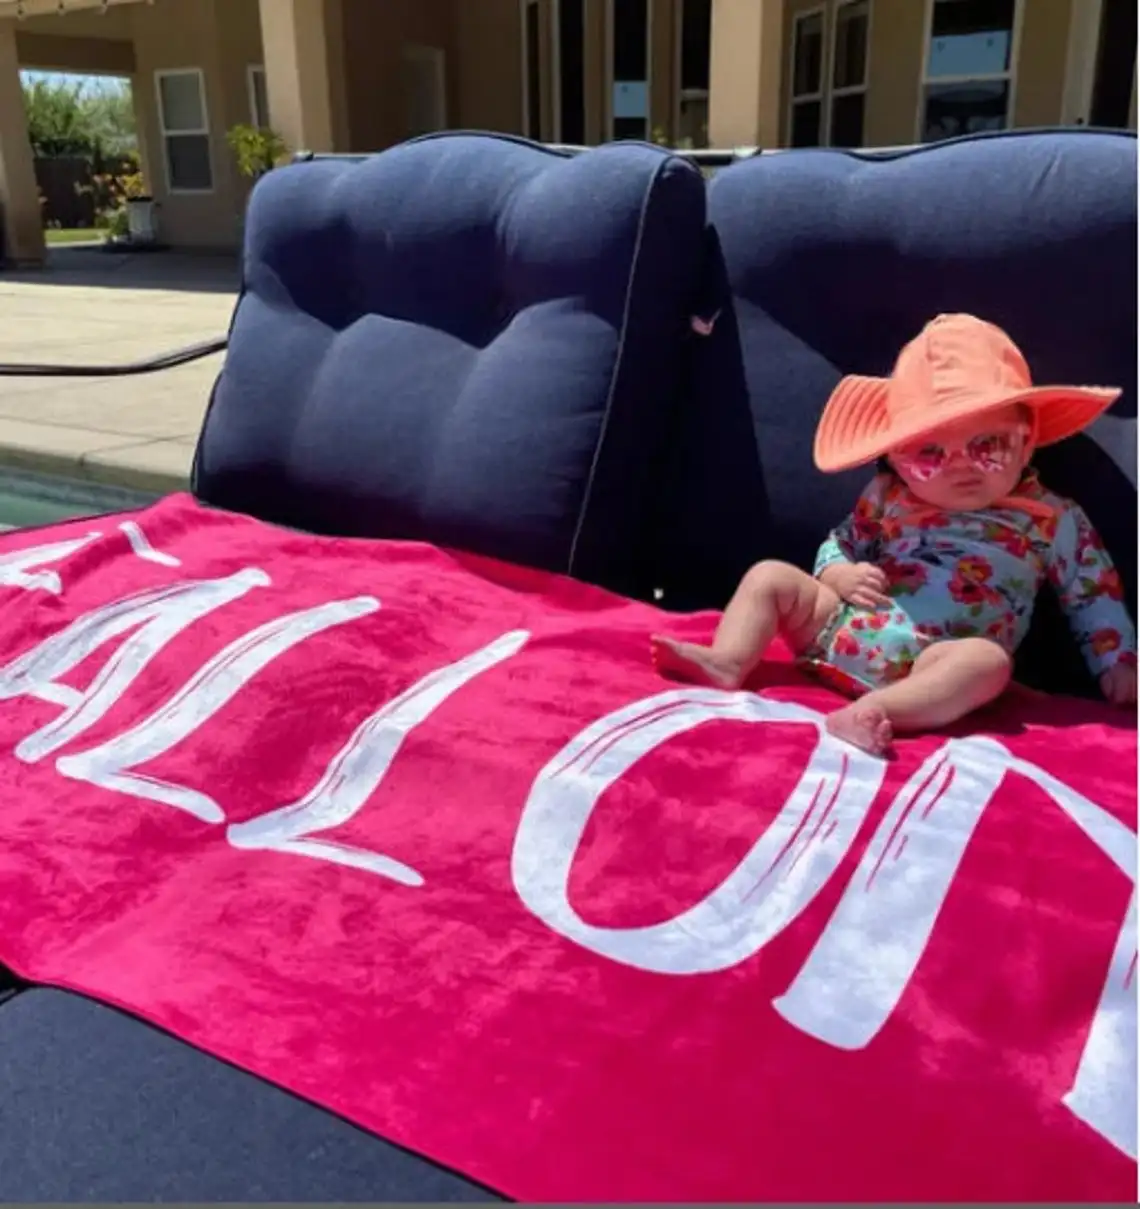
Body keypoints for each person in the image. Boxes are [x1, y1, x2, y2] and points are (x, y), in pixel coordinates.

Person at [651, 313, 1137, 756]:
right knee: (770, 576)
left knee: (988, 663)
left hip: (937, 663)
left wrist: (1118, 662)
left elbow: (1091, 593)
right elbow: (841, 542)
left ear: (1027, 440)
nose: (960, 467)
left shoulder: (1052, 518)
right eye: (929, 455)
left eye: (988, 447)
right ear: (897, 456)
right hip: (843, 629)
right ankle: (729, 659)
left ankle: (880, 710)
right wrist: (838, 573)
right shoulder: (887, 495)